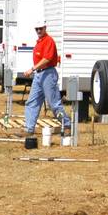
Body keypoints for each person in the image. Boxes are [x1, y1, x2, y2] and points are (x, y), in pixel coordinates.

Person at [22, 18, 72, 147]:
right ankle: (29, 129)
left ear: (45, 28)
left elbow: (47, 59)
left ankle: (66, 125)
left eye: (40, 29)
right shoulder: (39, 42)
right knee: (32, 102)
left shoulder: (48, 41)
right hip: (39, 75)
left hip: (48, 74)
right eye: (36, 29)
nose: (38, 31)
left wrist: (32, 69)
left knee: (53, 104)